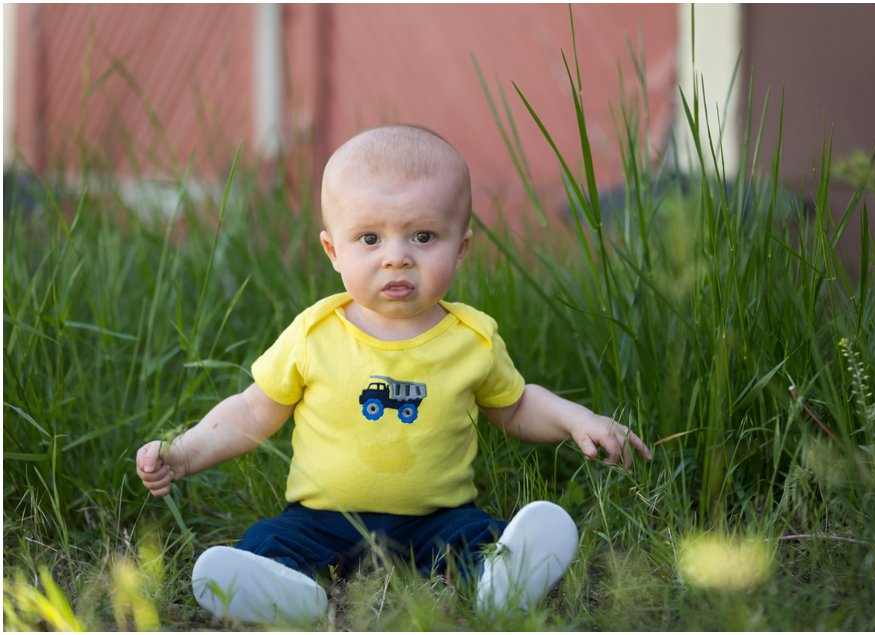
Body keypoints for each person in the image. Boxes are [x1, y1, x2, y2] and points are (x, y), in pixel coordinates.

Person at [136, 124, 652, 626]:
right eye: (369, 238)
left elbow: (514, 406)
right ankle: (285, 593)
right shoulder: (314, 334)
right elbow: (252, 411)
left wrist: (574, 418)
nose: (397, 258)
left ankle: (500, 582)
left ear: (462, 247)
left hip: (438, 518)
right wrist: (183, 452)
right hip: (321, 519)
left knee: (480, 537)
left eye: (423, 236)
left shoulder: (471, 338)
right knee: (268, 542)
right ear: (333, 251)